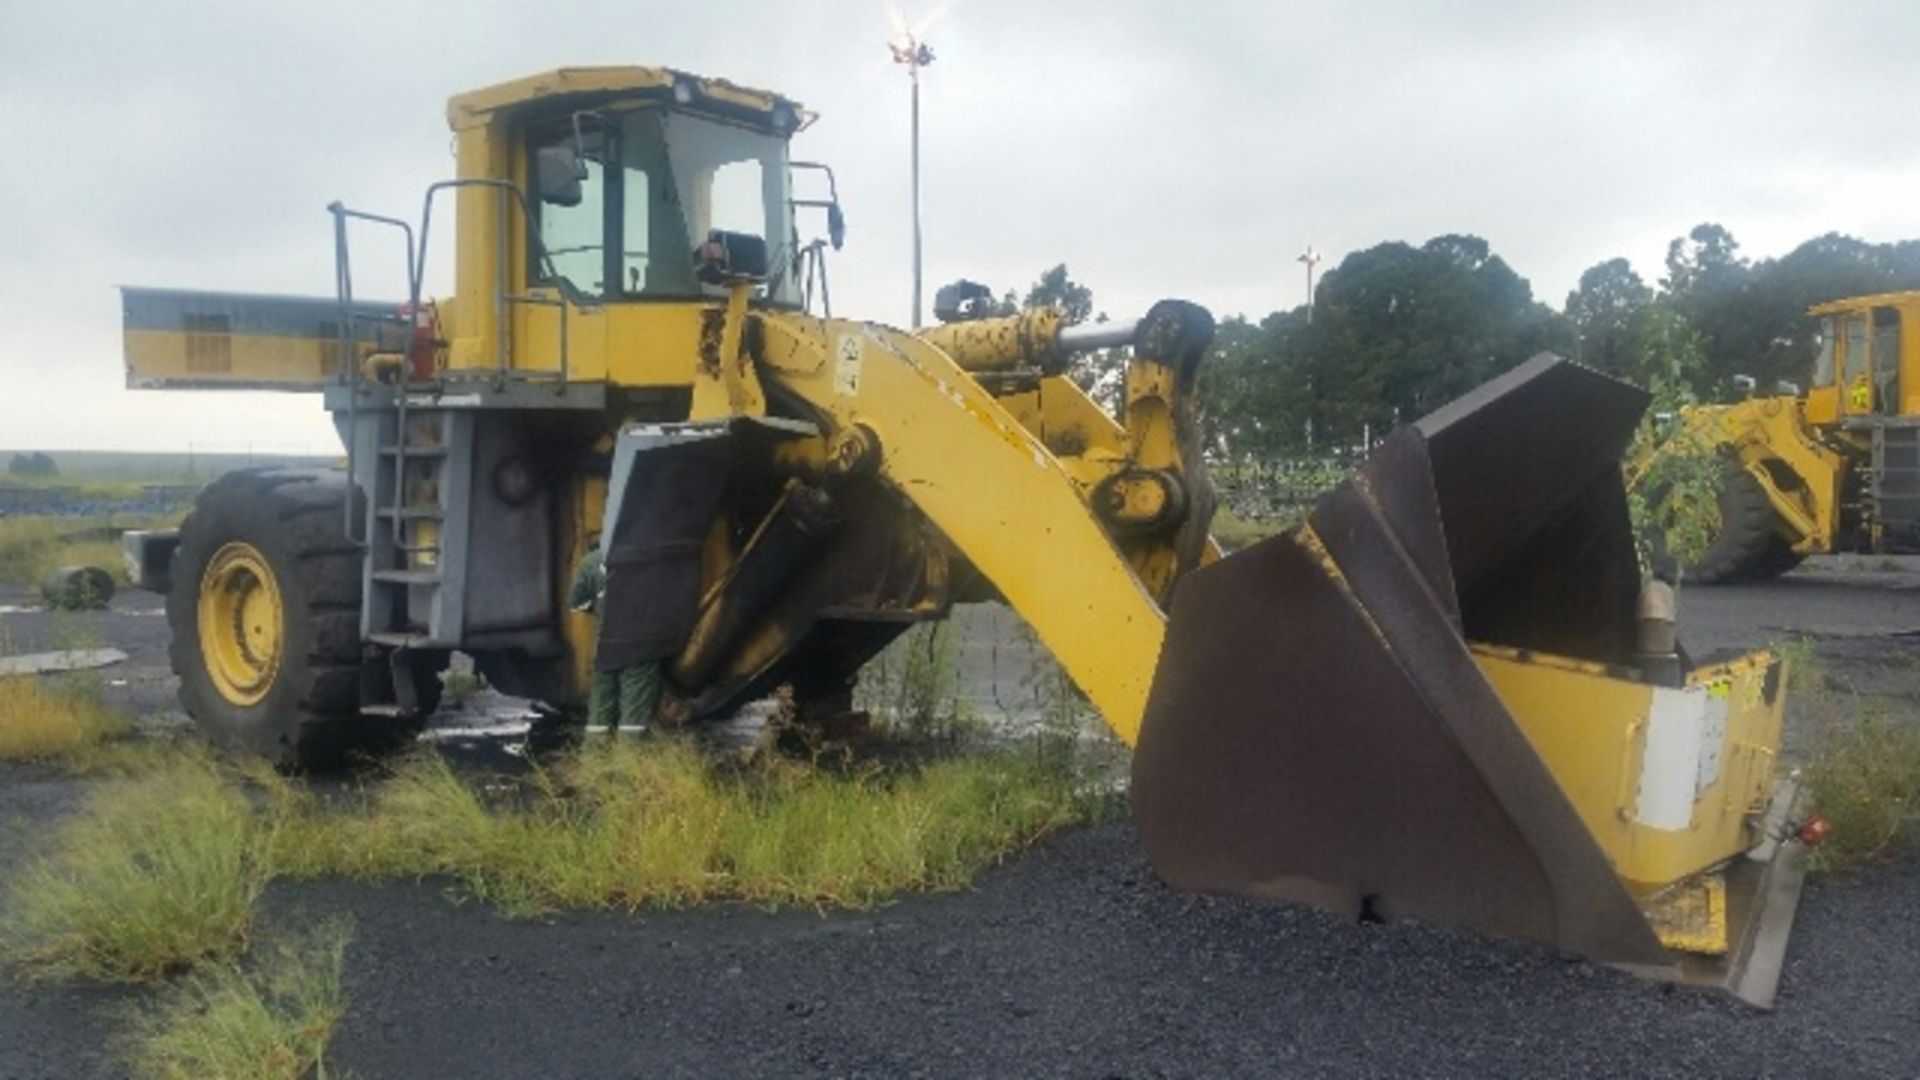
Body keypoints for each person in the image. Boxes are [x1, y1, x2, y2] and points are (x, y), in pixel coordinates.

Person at [568, 540, 664, 735]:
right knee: (633, 713)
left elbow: (576, 603)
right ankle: (627, 759)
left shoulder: (590, 561)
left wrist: (600, 607)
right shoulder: (647, 556)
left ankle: (596, 759)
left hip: (605, 645)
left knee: (599, 713)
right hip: (639, 644)